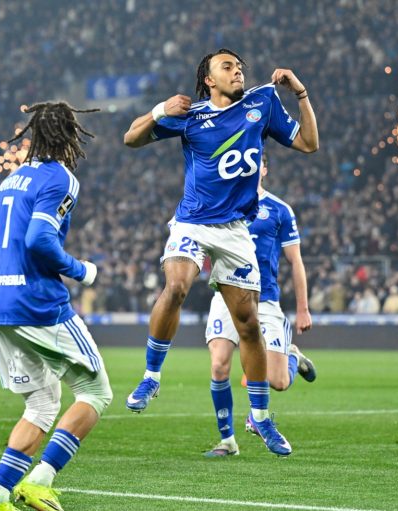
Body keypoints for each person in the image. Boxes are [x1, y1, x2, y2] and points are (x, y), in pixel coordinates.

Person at [123, 48, 318, 456]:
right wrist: (159, 110)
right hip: (192, 222)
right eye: (228, 67)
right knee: (177, 286)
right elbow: (131, 138)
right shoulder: (190, 115)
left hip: (235, 230)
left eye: (240, 67)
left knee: (248, 324)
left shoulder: (262, 103)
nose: (238, 72)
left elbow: (308, 143)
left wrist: (300, 94)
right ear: (209, 79)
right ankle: (151, 377)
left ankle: (261, 417)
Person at [0, 101, 112, 511]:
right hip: (39, 303)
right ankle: (40, 481)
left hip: (2, 304)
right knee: (96, 392)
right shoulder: (61, 178)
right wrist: (81, 270)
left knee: (42, 403)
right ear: (70, 135)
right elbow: (39, 240)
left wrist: (11, 258)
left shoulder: (11, 180)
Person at [203, 153, 316, 457]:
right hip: (226, 296)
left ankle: (292, 356)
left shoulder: (279, 210)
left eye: (257, 162)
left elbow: (296, 261)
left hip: (264, 301)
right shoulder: (221, 203)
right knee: (219, 364)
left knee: (278, 381)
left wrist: (303, 308)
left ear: (263, 169)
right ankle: (228, 441)